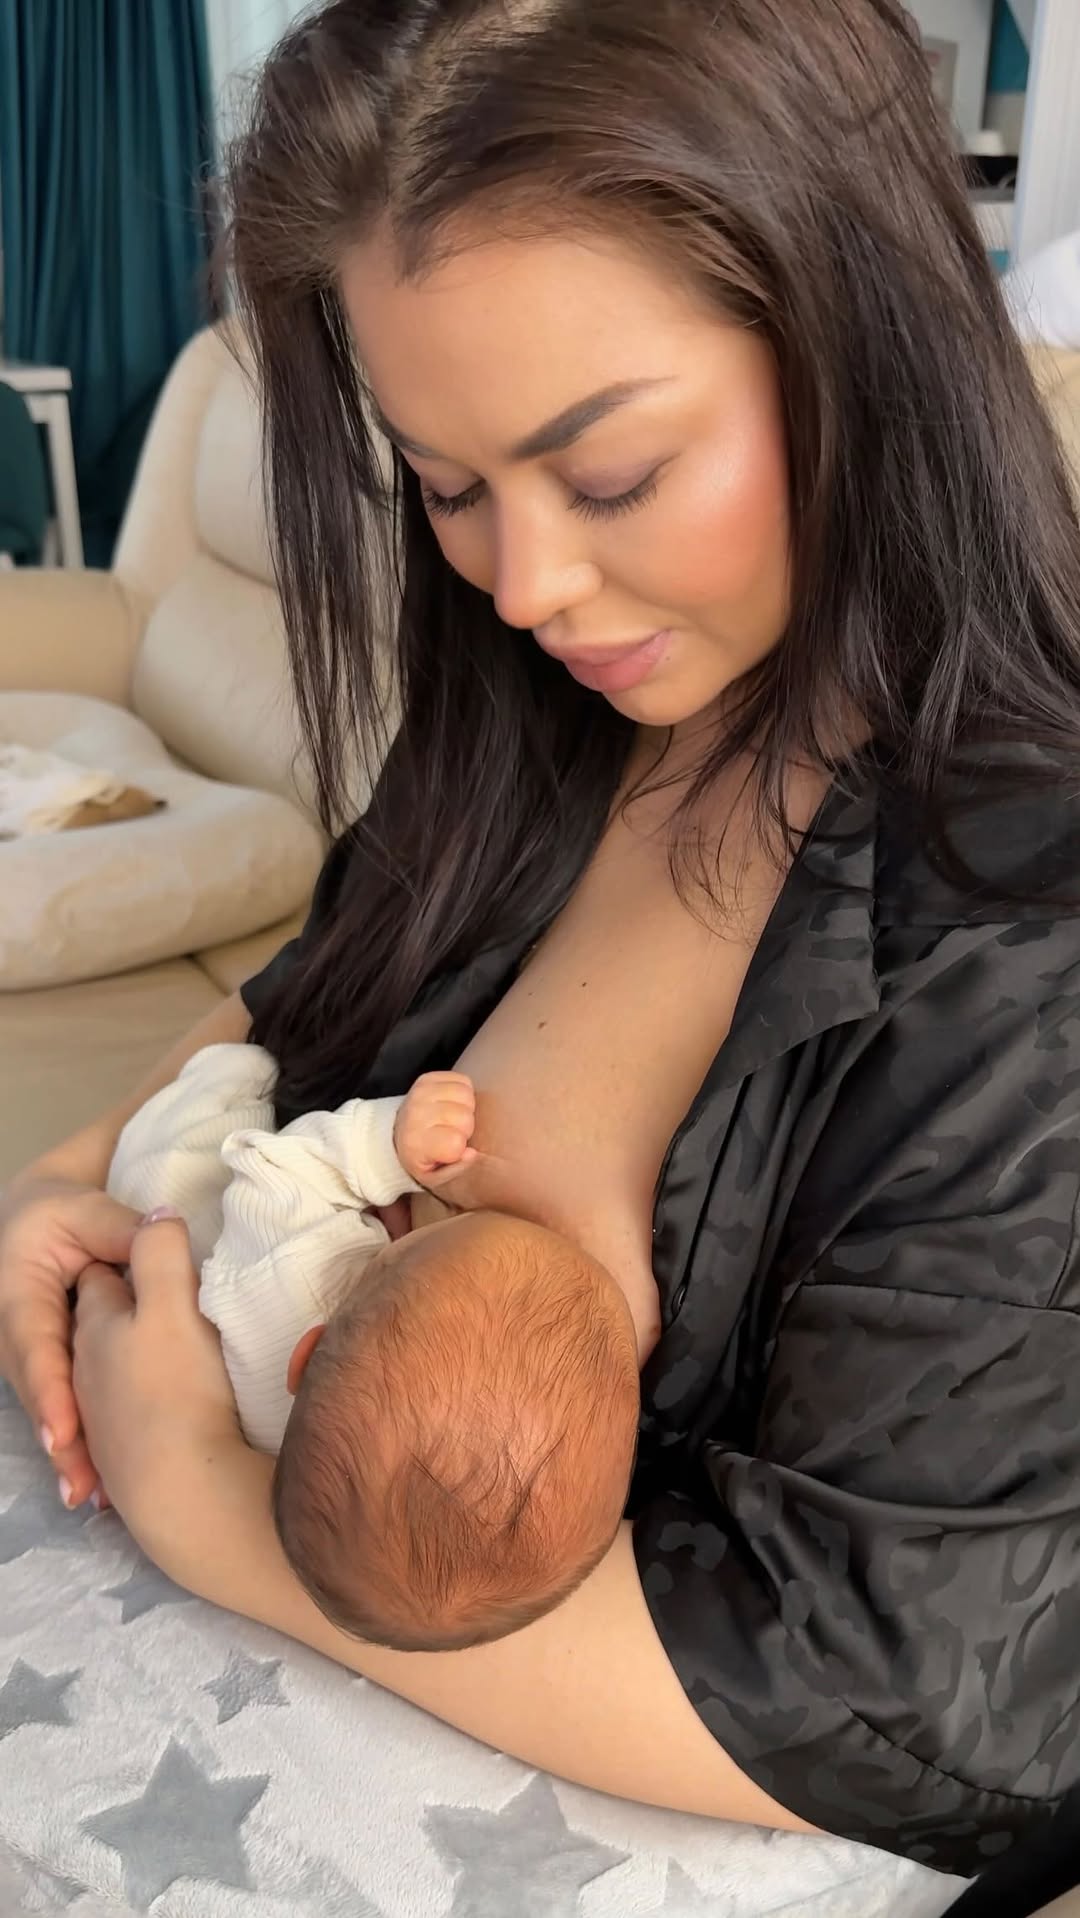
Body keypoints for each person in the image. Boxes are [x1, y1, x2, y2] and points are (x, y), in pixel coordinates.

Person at [3, 0, 1080, 1884]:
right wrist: (68, 1172)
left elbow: (897, 1697)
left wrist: (210, 1505)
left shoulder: (1024, 926)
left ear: (864, 341)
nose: (523, 585)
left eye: (610, 475)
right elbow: (301, 1002)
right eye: (445, 486)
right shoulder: (553, 720)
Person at [105, 1043, 641, 1647]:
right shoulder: (348, 1471)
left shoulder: (293, 1274)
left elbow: (270, 1167)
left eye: (431, 1237)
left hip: (174, 1178)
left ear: (306, 1353)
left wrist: (388, 1144)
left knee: (240, 1069)